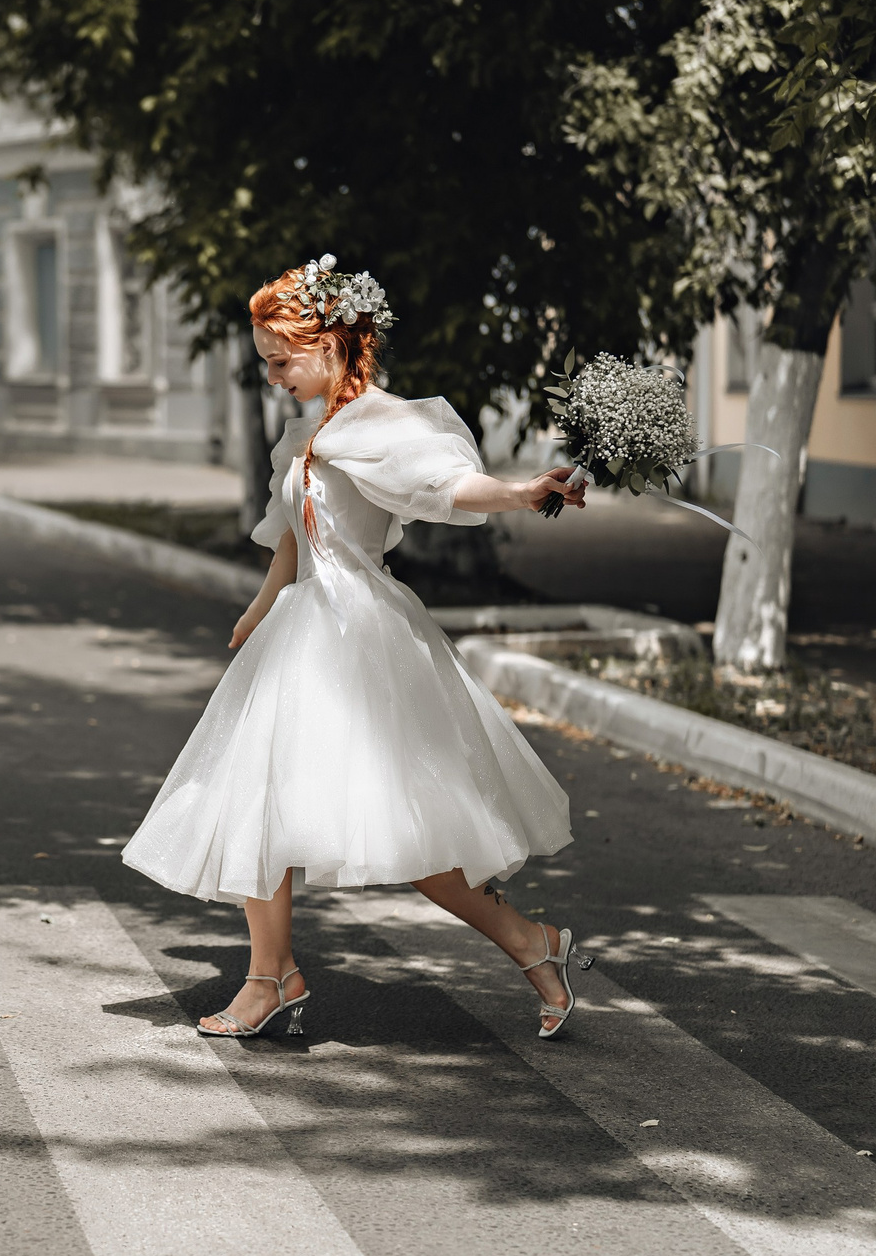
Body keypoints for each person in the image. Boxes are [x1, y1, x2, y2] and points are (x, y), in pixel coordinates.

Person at [122, 259, 590, 1040]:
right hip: (297, 634)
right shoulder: (306, 431)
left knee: (411, 829)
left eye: (281, 359)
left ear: (333, 344)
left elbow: (447, 488)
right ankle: (270, 976)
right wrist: (258, 609)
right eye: (265, 361)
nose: (271, 377)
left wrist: (520, 490)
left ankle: (531, 940)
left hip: (359, 639)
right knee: (258, 804)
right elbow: (291, 540)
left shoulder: (383, 426)